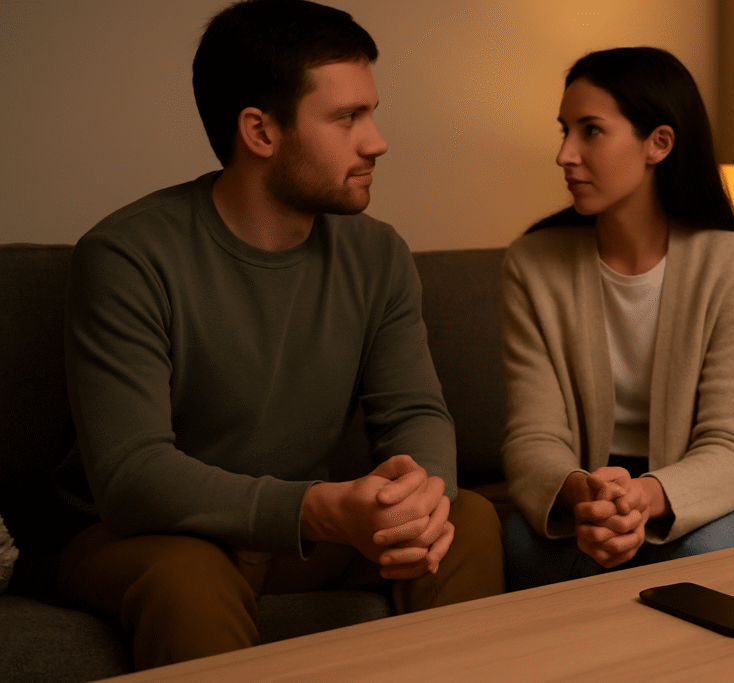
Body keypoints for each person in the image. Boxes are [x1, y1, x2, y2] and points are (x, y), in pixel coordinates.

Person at [56, 0, 503, 669]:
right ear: (260, 132)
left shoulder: (377, 254)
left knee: (465, 518)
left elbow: (412, 412)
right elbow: (133, 474)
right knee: (189, 578)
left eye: (370, 112)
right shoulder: (128, 255)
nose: (376, 140)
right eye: (347, 118)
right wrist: (316, 509)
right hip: (143, 534)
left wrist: (419, 497)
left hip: (296, 535)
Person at [501, 47, 734, 591]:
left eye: (590, 131)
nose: (565, 153)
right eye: (565, 130)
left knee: (705, 554)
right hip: (586, 489)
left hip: (694, 489)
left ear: (659, 143)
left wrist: (644, 497)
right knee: (520, 542)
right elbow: (532, 436)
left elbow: (729, 445)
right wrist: (585, 495)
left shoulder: (730, 260)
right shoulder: (532, 263)